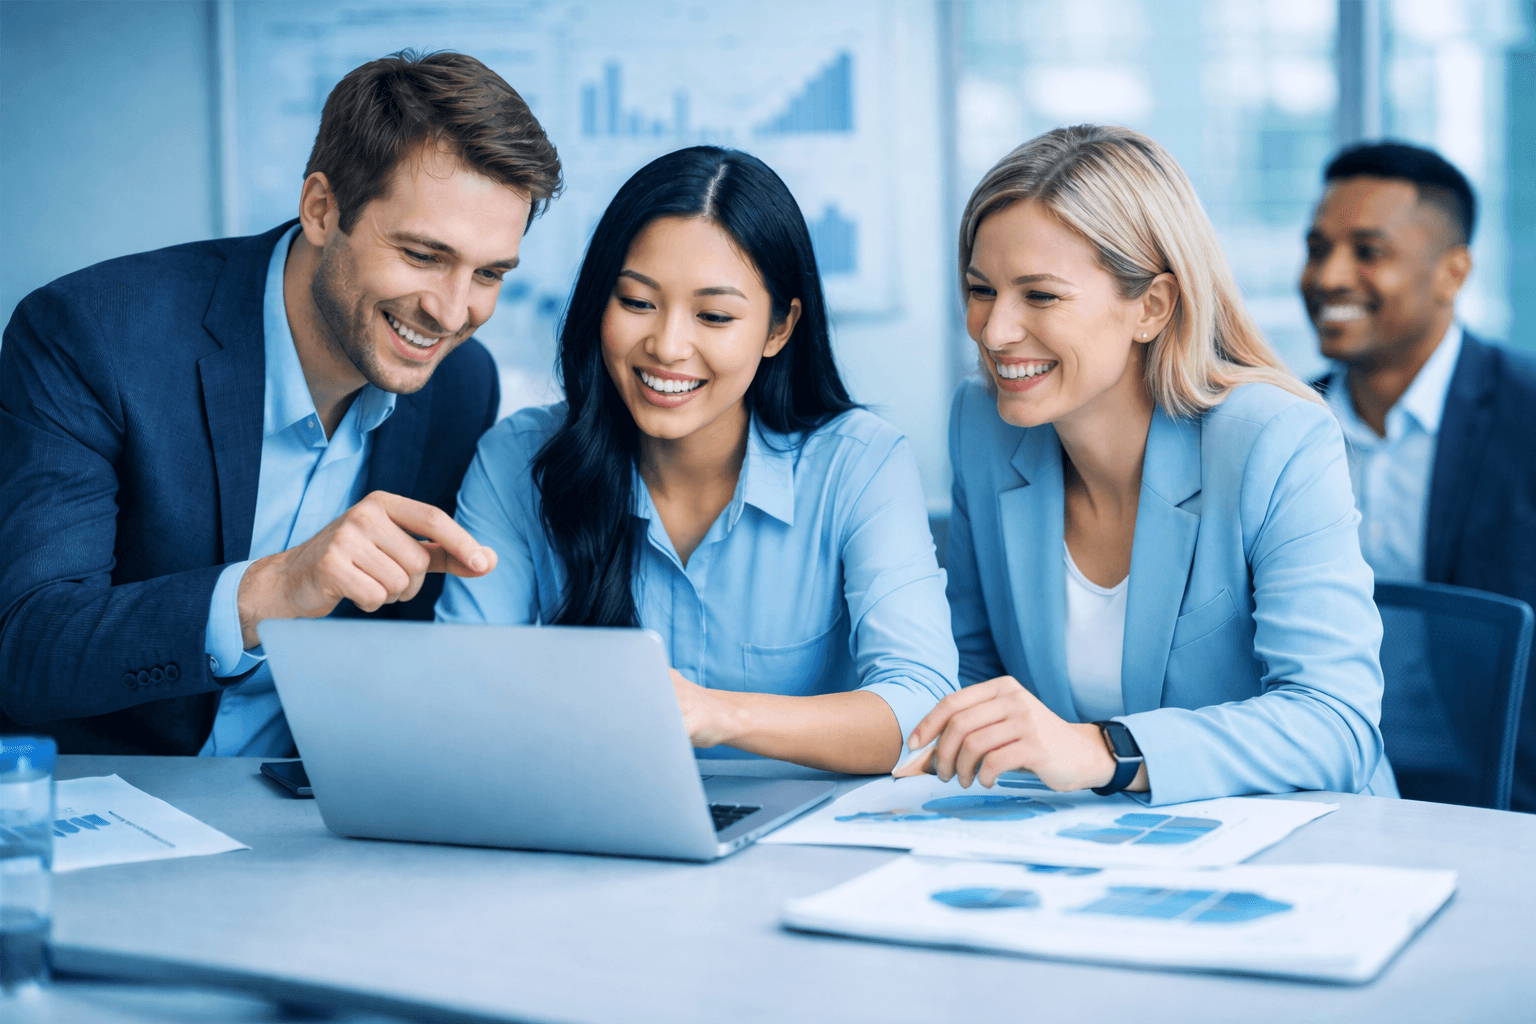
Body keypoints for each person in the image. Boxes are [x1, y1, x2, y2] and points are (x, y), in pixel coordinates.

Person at [0, 50, 562, 757]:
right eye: (423, 255)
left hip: (315, 802)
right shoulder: (94, 336)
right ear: (322, 209)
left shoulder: (459, 383)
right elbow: (26, 647)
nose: (452, 313)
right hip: (116, 791)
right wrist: (274, 589)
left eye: (488, 274)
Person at [901, 125, 1395, 804]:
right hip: (1082, 838)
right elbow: (971, 672)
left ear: (1151, 307)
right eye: (981, 290)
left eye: (1040, 296)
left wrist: (1105, 750)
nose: (994, 331)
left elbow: (1335, 724)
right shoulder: (983, 424)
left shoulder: (1275, 439)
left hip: (1297, 838)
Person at [436, 146, 957, 774]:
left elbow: (924, 707)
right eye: (637, 303)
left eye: (714, 315)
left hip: (807, 829)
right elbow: (461, 699)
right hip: (593, 822)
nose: (667, 346)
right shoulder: (518, 460)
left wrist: (722, 715)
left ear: (778, 328)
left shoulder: (860, 465)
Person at [1300, 141, 1536, 812]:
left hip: (1503, 798)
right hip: (1327, 787)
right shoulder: (1283, 425)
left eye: (1368, 251)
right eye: (1318, 249)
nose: (1329, 277)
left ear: (1452, 274)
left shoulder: (1525, 413)